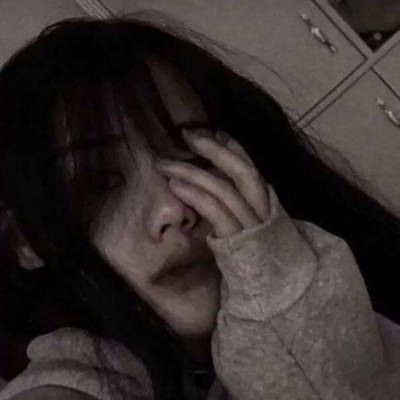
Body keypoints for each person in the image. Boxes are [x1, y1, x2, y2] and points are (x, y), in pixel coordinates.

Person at [0, 10, 400, 400]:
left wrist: (284, 302)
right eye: (97, 183)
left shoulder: (334, 280)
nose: (173, 211)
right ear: (27, 243)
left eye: (195, 156)